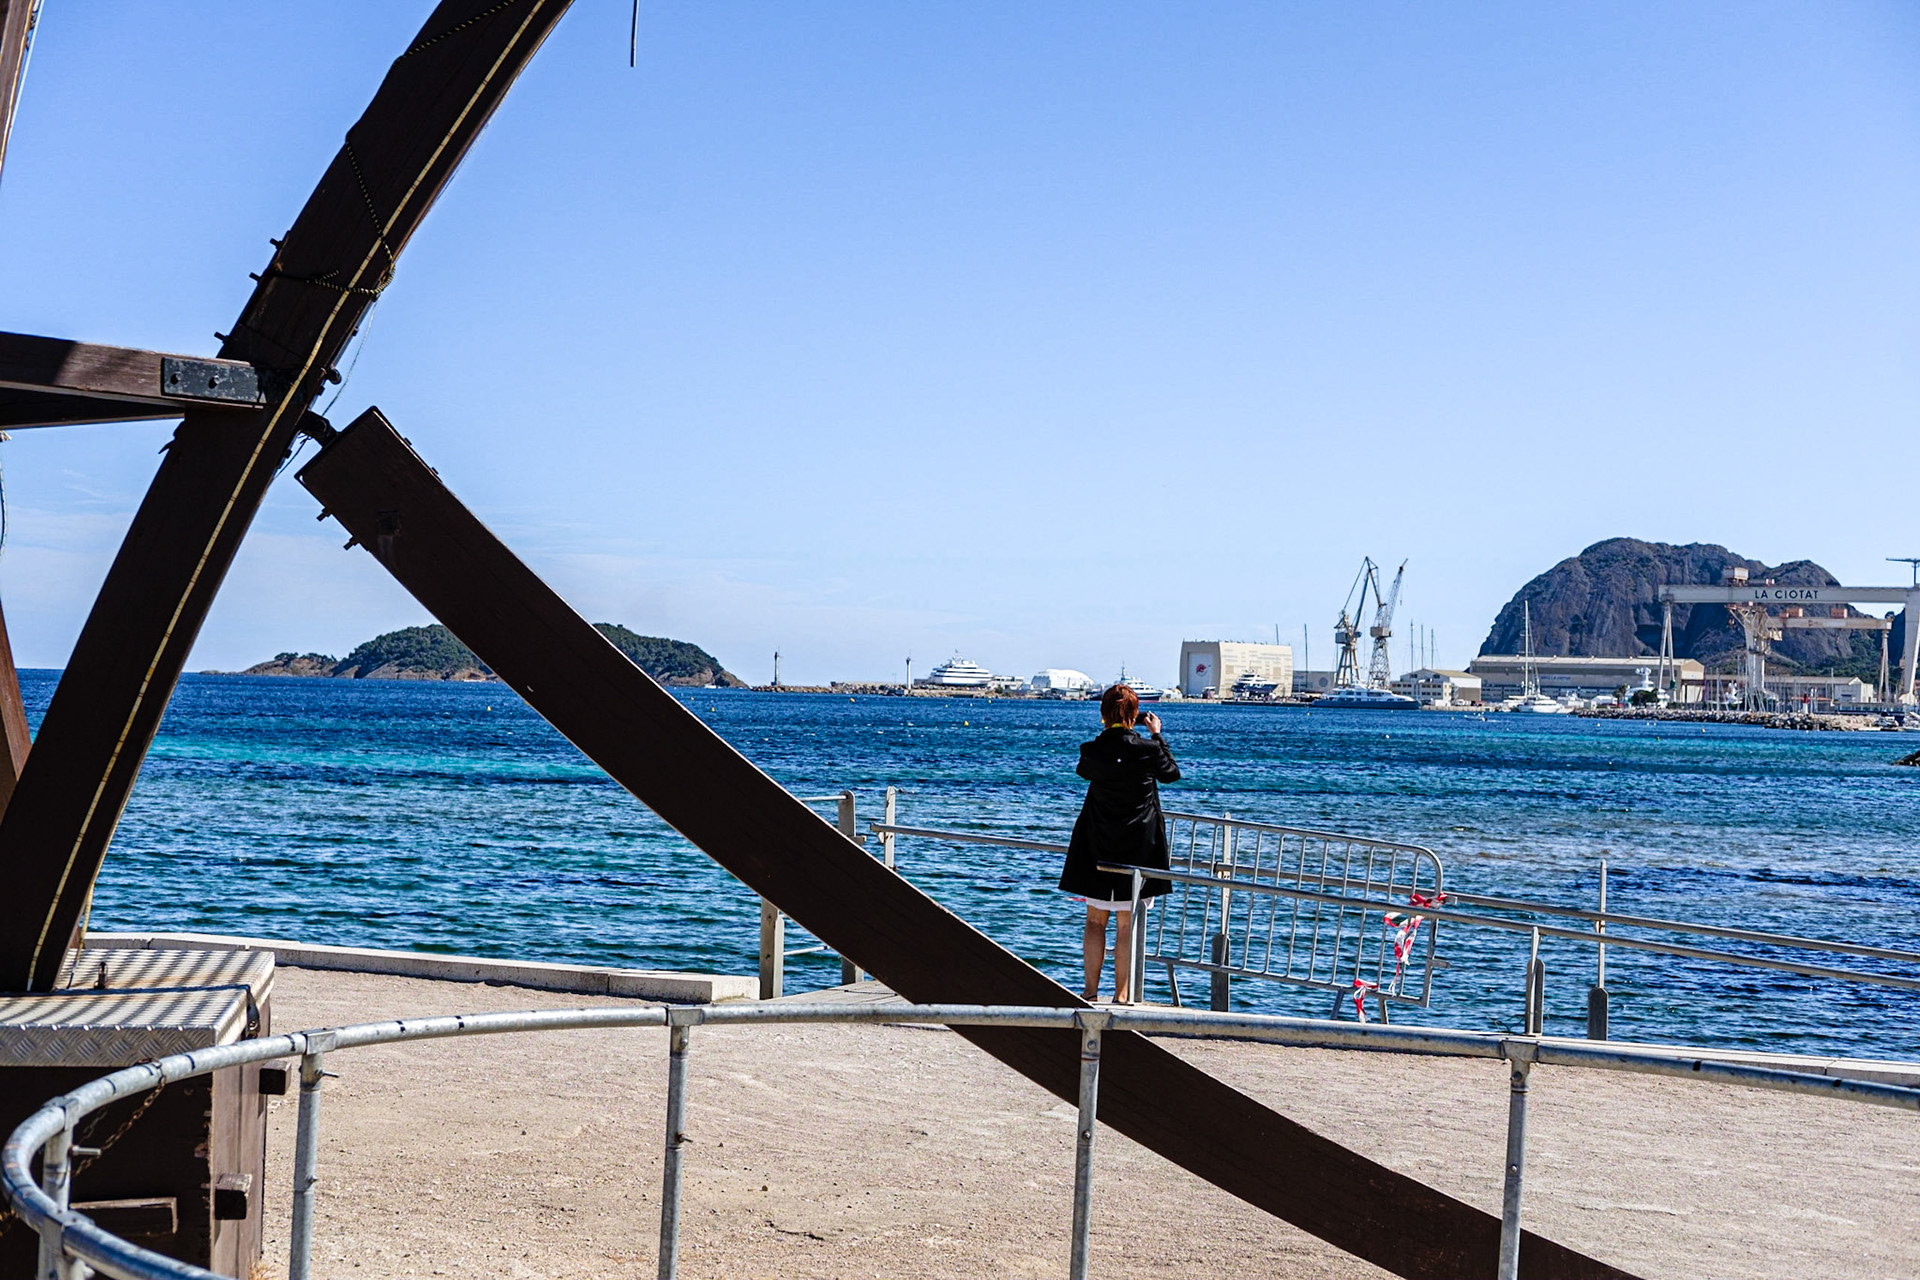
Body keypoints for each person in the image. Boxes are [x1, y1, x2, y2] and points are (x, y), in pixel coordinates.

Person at [1057, 683, 1179, 1002]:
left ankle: (1090, 991)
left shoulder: (1093, 750)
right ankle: (1121, 995)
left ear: (1104, 714)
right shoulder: (1148, 749)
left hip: (1098, 841)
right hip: (1139, 844)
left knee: (1095, 920)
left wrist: (1107, 733)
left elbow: (1084, 769)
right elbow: (1171, 773)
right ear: (1135, 714)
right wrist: (1156, 735)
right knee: (1127, 925)